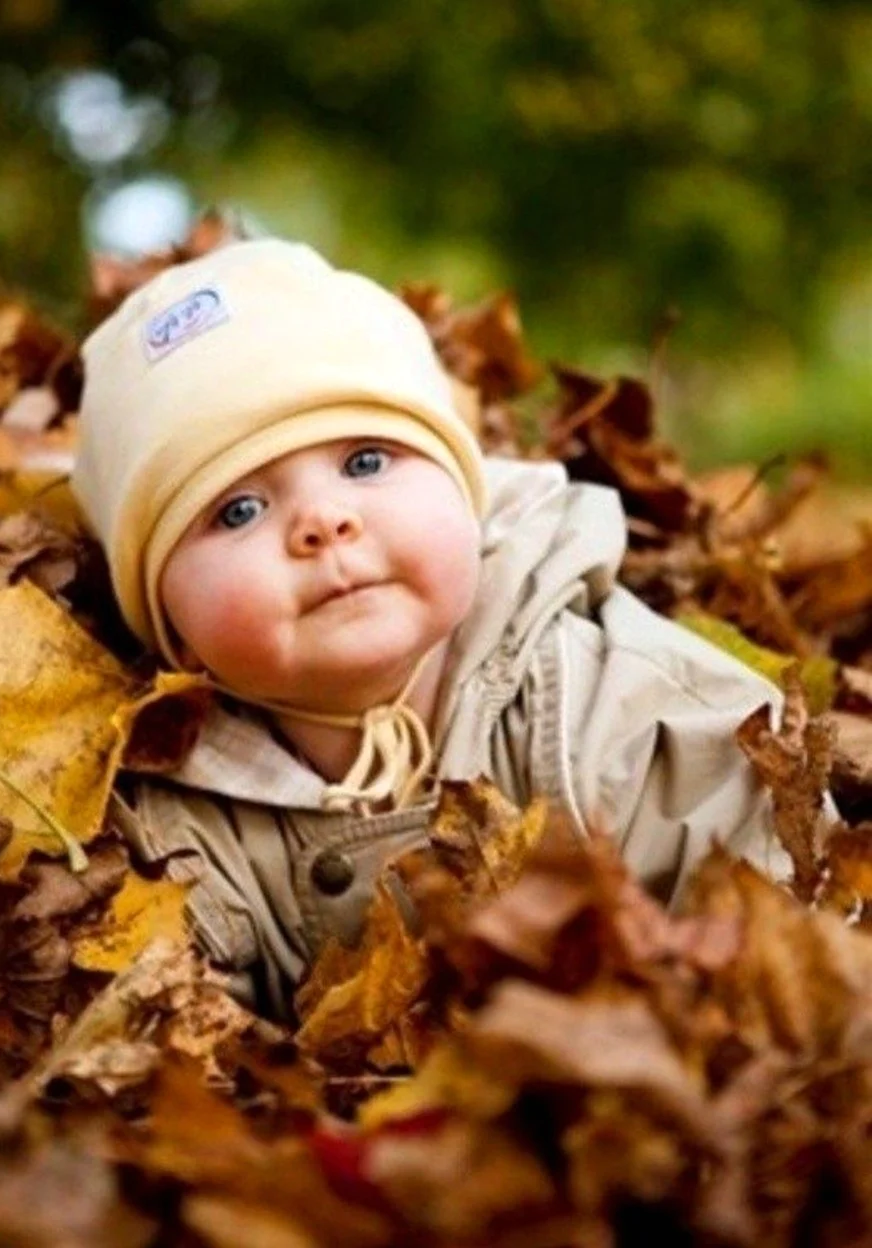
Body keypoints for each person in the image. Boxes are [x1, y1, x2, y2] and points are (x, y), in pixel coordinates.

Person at [72, 237, 790, 1019]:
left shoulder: (617, 710)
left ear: (466, 496)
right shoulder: (177, 826)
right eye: (237, 510)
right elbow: (170, 1061)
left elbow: (776, 935)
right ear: (174, 629)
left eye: (366, 462)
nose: (323, 521)